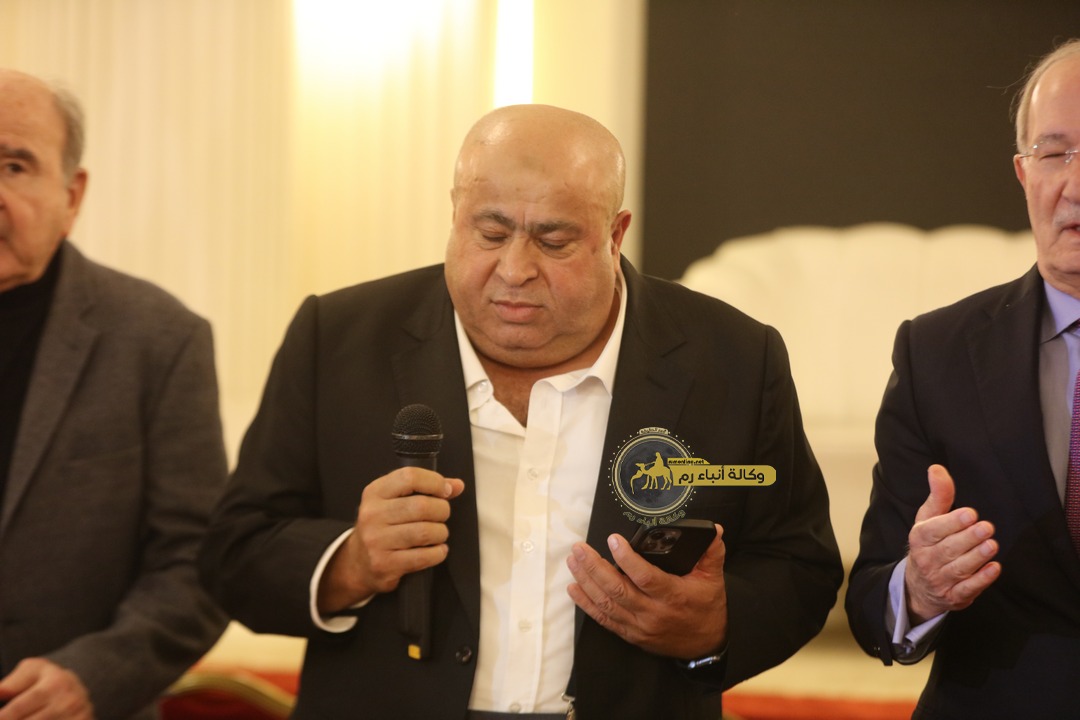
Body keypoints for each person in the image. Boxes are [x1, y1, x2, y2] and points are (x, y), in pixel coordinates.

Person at [199, 104, 841, 719]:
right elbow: (234, 553)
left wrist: (714, 625)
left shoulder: (732, 358)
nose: (514, 269)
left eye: (554, 241)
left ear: (614, 234)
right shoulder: (337, 339)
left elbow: (799, 566)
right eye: (490, 233)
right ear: (455, 215)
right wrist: (350, 563)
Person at [846, 38, 1080, 718]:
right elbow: (871, 600)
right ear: (1023, 173)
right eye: (1054, 153)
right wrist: (919, 588)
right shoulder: (936, 353)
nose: (1074, 185)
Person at [0, 70, 229, 719]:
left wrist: (95, 676)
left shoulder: (159, 339)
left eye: (15, 166)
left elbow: (200, 562)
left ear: (71, 196)